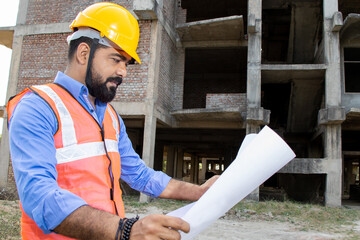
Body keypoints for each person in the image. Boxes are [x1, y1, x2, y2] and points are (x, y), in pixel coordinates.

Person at [7, 2, 218, 240]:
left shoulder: (110, 116)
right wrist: (125, 230)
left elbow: (140, 175)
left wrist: (199, 192)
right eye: (116, 59)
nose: (123, 72)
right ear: (84, 53)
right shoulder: (37, 107)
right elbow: (39, 196)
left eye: (126, 63)